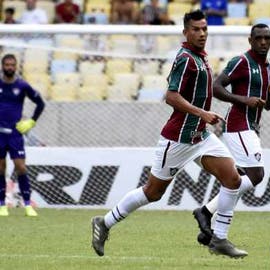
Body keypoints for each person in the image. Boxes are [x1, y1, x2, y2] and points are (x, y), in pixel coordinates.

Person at [91, 10, 248, 259]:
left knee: (234, 179)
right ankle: (104, 222)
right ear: (185, 32)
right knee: (152, 192)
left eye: (205, 28)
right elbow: (171, 96)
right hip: (178, 139)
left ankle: (219, 239)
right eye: (196, 29)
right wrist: (203, 113)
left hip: (200, 137)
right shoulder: (185, 58)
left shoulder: (201, 58)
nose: (202, 33)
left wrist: (204, 117)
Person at [192, 23, 270, 246]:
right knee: (256, 175)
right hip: (237, 124)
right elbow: (216, 87)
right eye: (258, 38)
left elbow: (266, 105)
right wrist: (244, 100)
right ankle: (210, 218)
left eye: (267, 38)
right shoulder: (241, 62)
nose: (263, 42)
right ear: (250, 40)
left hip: (251, 126)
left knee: (240, 178)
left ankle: (208, 217)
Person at [0, 54, 45, 217]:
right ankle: (2, 205)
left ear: (16, 66)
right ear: (2, 66)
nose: (10, 67)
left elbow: (40, 103)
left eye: (12, 65)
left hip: (14, 134)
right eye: (7, 65)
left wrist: (31, 122)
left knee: (21, 167)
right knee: (1, 168)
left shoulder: (22, 85)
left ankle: (27, 205)